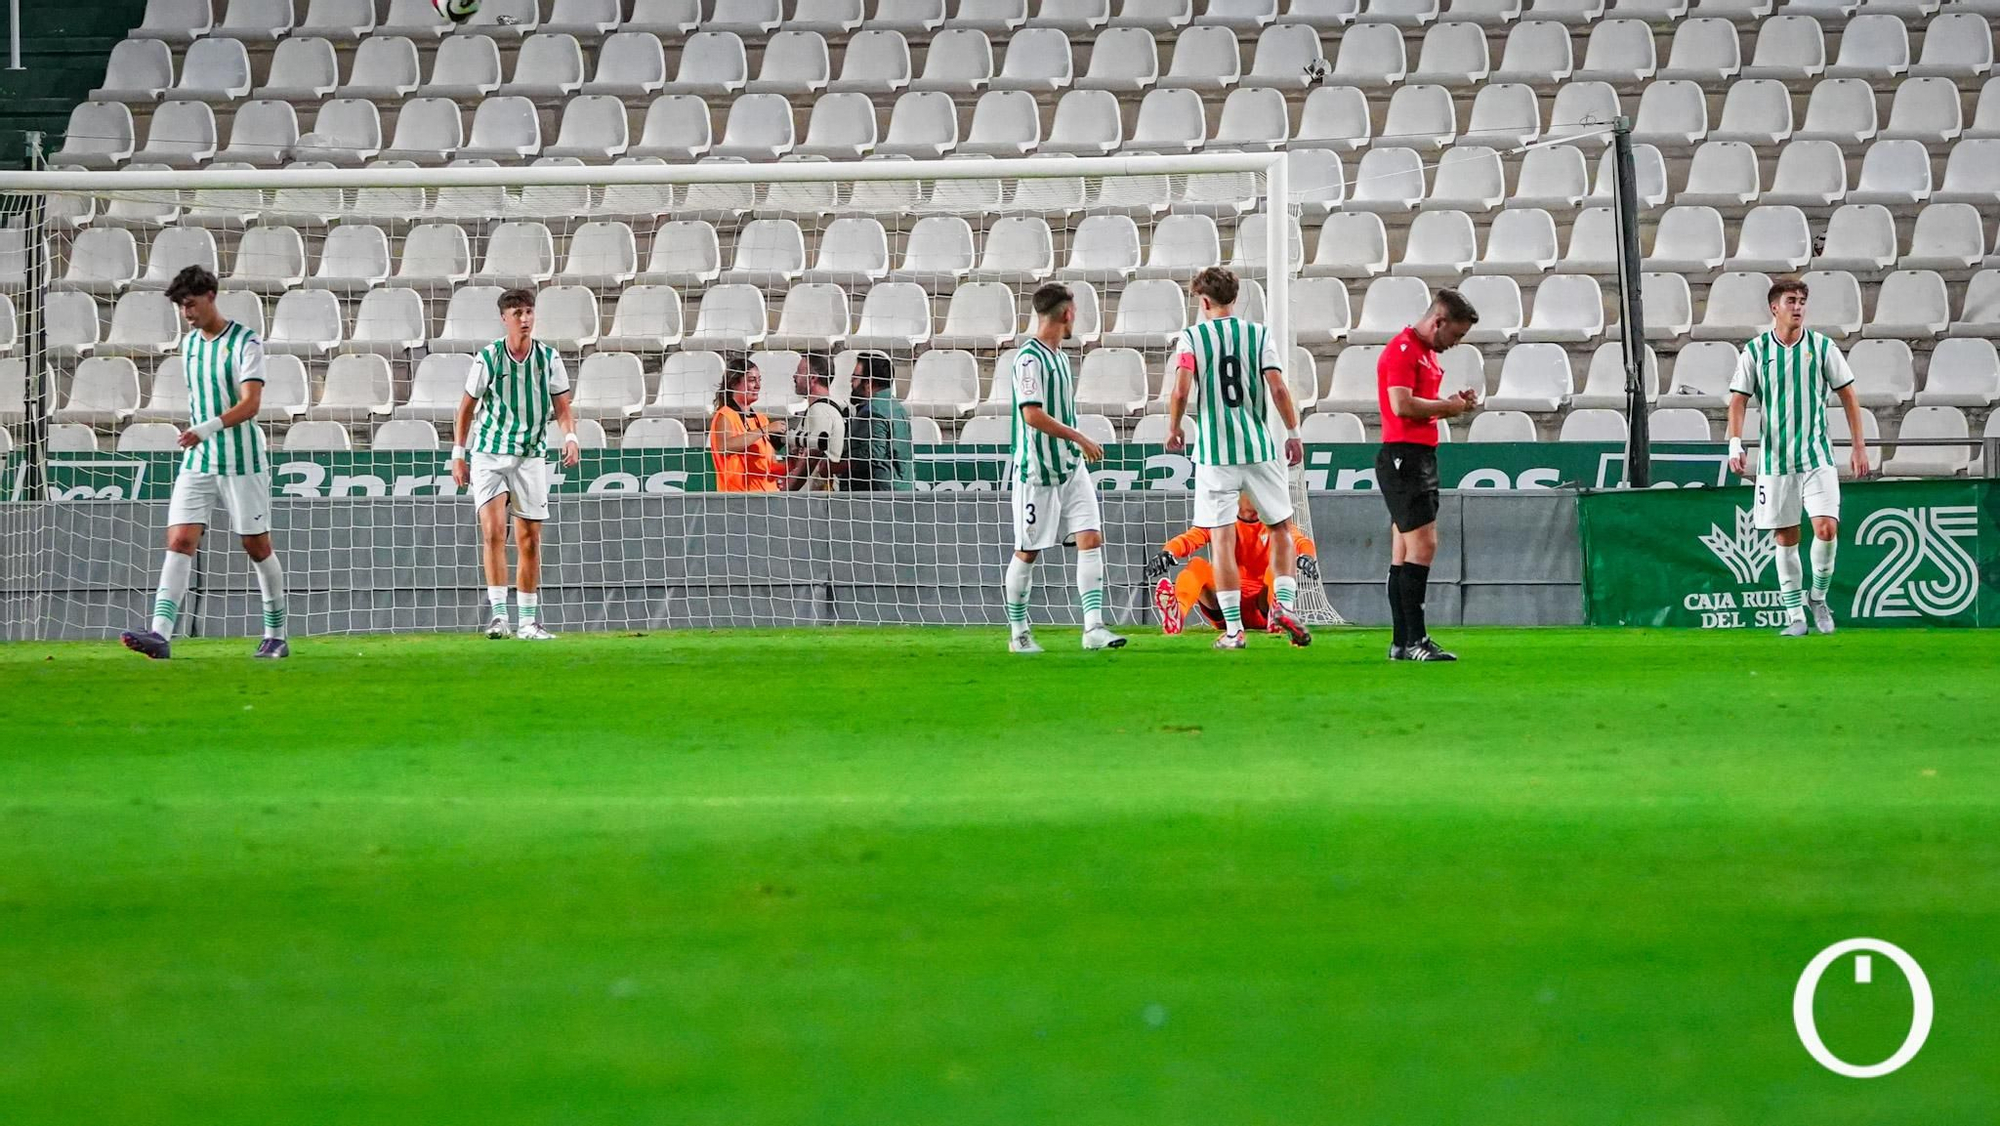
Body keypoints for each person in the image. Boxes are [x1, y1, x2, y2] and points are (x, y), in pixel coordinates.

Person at [120, 265, 289, 660]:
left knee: (256, 546)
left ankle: (276, 635)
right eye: (181, 306)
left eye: (191, 304)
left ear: (211, 296)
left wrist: (206, 428)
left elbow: (251, 404)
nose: (187, 313)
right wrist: (201, 436)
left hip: (242, 461)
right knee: (179, 540)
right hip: (198, 460)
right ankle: (160, 635)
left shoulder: (246, 343)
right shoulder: (190, 345)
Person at [1163, 265, 1311, 650]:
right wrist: (1293, 433)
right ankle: (1284, 606)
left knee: (1221, 539)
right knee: (1281, 528)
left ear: (1205, 300)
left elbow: (1180, 390)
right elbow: (1277, 388)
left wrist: (1174, 427)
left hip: (1215, 452)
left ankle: (1233, 631)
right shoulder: (1259, 334)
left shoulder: (1192, 338)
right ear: (1236, 297)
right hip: (1260, 447)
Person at [1726, 277, 1870, 637]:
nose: (1798, 306)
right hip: (1776, 463)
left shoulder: (1822, 347)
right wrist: (1734, 443)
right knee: (1786, 538)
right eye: (1791, 300)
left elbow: (1849, 396)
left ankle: (1818, 598)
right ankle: (1795, 615)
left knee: (1826, 528)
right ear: (1775, 307)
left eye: (1802, 301)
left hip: (1817, 457)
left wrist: (1858, 446)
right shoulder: (1756, 352)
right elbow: (1738, 401)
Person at [448, 288, 580, 641]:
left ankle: (527, 622)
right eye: (517, 313)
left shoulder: (548, 358)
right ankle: (498, 617)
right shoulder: (488, 358)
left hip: (530, 455)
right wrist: (458, 455)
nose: (525, 318)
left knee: (529, 539)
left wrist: (570, 437)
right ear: (504, 318)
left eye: (529, 312)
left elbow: (563, 406)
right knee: (493, 532)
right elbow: (465, 409)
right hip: (489, 454)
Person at [1002, 282, 1127, 654]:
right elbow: (1032, 414)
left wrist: (1074, 445)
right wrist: (1080, 437)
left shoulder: (1060, 356)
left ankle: (1093, 628)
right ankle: (1019, 632)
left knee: (1090, 537)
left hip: (1070, 469)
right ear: (1067, 313)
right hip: (1037, 473)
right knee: (1028, 551)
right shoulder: (1029, 359)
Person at [1377, 287, 1481, 662]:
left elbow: (1419, 405)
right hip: (1405, 456)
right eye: (1454, 335)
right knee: (1423, 545)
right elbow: (1400, 404)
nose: (1455, 343)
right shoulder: (1404, 350)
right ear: (1438, 321)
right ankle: (1416, 640)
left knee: (1404, 550)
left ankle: (1402, 642)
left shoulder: (1421, 353)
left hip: (1413, 455)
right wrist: (1448, 409)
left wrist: (1450, 404)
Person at [1146, 495, 1320, 637]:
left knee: (1277, 568)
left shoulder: (1275, 525)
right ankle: (1177, 613)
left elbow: (1300, 541)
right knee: (1196, 565)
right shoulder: (1221, 521)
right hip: (1224, 606)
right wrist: (1168, 552)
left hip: (1261, 605)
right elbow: (1190, 538)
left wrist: (1307, 556)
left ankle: (1278, 613)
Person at [708, 360, 788, 494]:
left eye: (759, 380)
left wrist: (790, 466)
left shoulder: (761, 419)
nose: (758, 386)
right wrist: (765, 430)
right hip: (738, 500)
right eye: (752, 380)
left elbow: (770, 467)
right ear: (734, 384)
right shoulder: (725, 415)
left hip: (769, 497)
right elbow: (725, 447)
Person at [845, 352, 915, 492]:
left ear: (869, 382)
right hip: (903, 489)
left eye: (855, 376)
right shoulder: (897, 408)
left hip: (877, 496)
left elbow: (872, 455)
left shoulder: (872, 411)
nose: (851, 381)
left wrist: (836, 466)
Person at [790, 352, 848, 491]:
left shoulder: (818, 411)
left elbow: (811, 458)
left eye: (799, 372)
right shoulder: (832, 406)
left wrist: (789, 488)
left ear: (813, 379)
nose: (794, 376)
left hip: (816, 499)